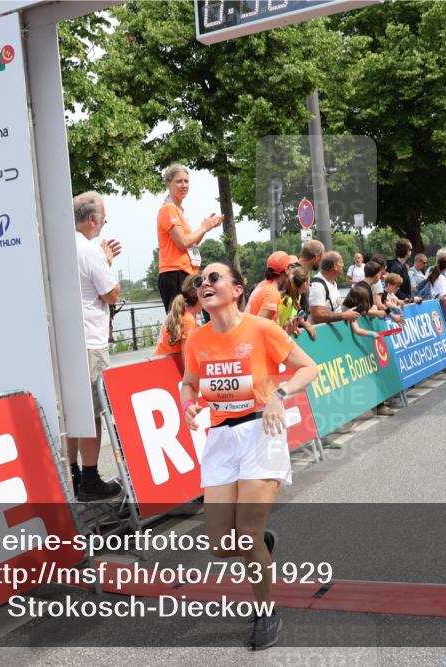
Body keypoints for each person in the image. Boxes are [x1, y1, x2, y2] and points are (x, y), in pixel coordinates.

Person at [180, 262, 318, 651]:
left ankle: (265, 611)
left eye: (213, 278)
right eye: (200, 281)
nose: (204, 284)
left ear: (237, 289)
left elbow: (308, 367)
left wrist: (279, 395)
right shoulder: (197, 340)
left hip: (261, 431)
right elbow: (188, 384)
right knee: (220, 544)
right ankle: (261, 544)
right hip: (221, 439)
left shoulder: (261, 329)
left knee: (247, 535)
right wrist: (189, 405)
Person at [69, 191, 123, 501]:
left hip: (68, 341)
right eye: (103, 219)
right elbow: (110, 293)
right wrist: (106, 260)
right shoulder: (90, 251)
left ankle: (75, 474)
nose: (103, 224)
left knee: (74, 413)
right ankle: (91, 477)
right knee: (92, 412)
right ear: (92, 220)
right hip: (91, 339)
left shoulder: (60, 246)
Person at [157, 164, 223, 312]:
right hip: (174, 272)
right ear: (168, 183)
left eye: (186, 181)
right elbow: (183, 243)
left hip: (185, 272)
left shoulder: (179, 210)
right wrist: (204, 227)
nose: (184, 185)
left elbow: (192, 242)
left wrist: (207, 227)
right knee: (179, 323)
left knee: (189, 318)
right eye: (179, 181)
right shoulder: (169, 209)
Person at [308, 252, 359, 326]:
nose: (343, 265)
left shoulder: (333, 282)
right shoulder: (317, 286)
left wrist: (347, 314)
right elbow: (317, 316)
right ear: (335, 266)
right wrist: (343, 315)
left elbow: (335, 310)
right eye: (341, 262)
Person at [154, 277, 201, 357]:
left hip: (163, 359)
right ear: (200, 296)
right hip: (171, 362)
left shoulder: (182, 310)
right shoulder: (188, 318)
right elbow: (187, 355)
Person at [246, 251, 294, 323]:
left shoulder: (263, 284)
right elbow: (260, 327)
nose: (292, 270)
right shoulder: (272, 293)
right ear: (287, 270)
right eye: (291, 267)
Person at [279, 267, 316, 340]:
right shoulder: (286, 300)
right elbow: (276, 322)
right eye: (310, 283)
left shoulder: (298, 295)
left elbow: (297, 313)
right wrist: (288, 330)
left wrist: (305, 324)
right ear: (305, 284)